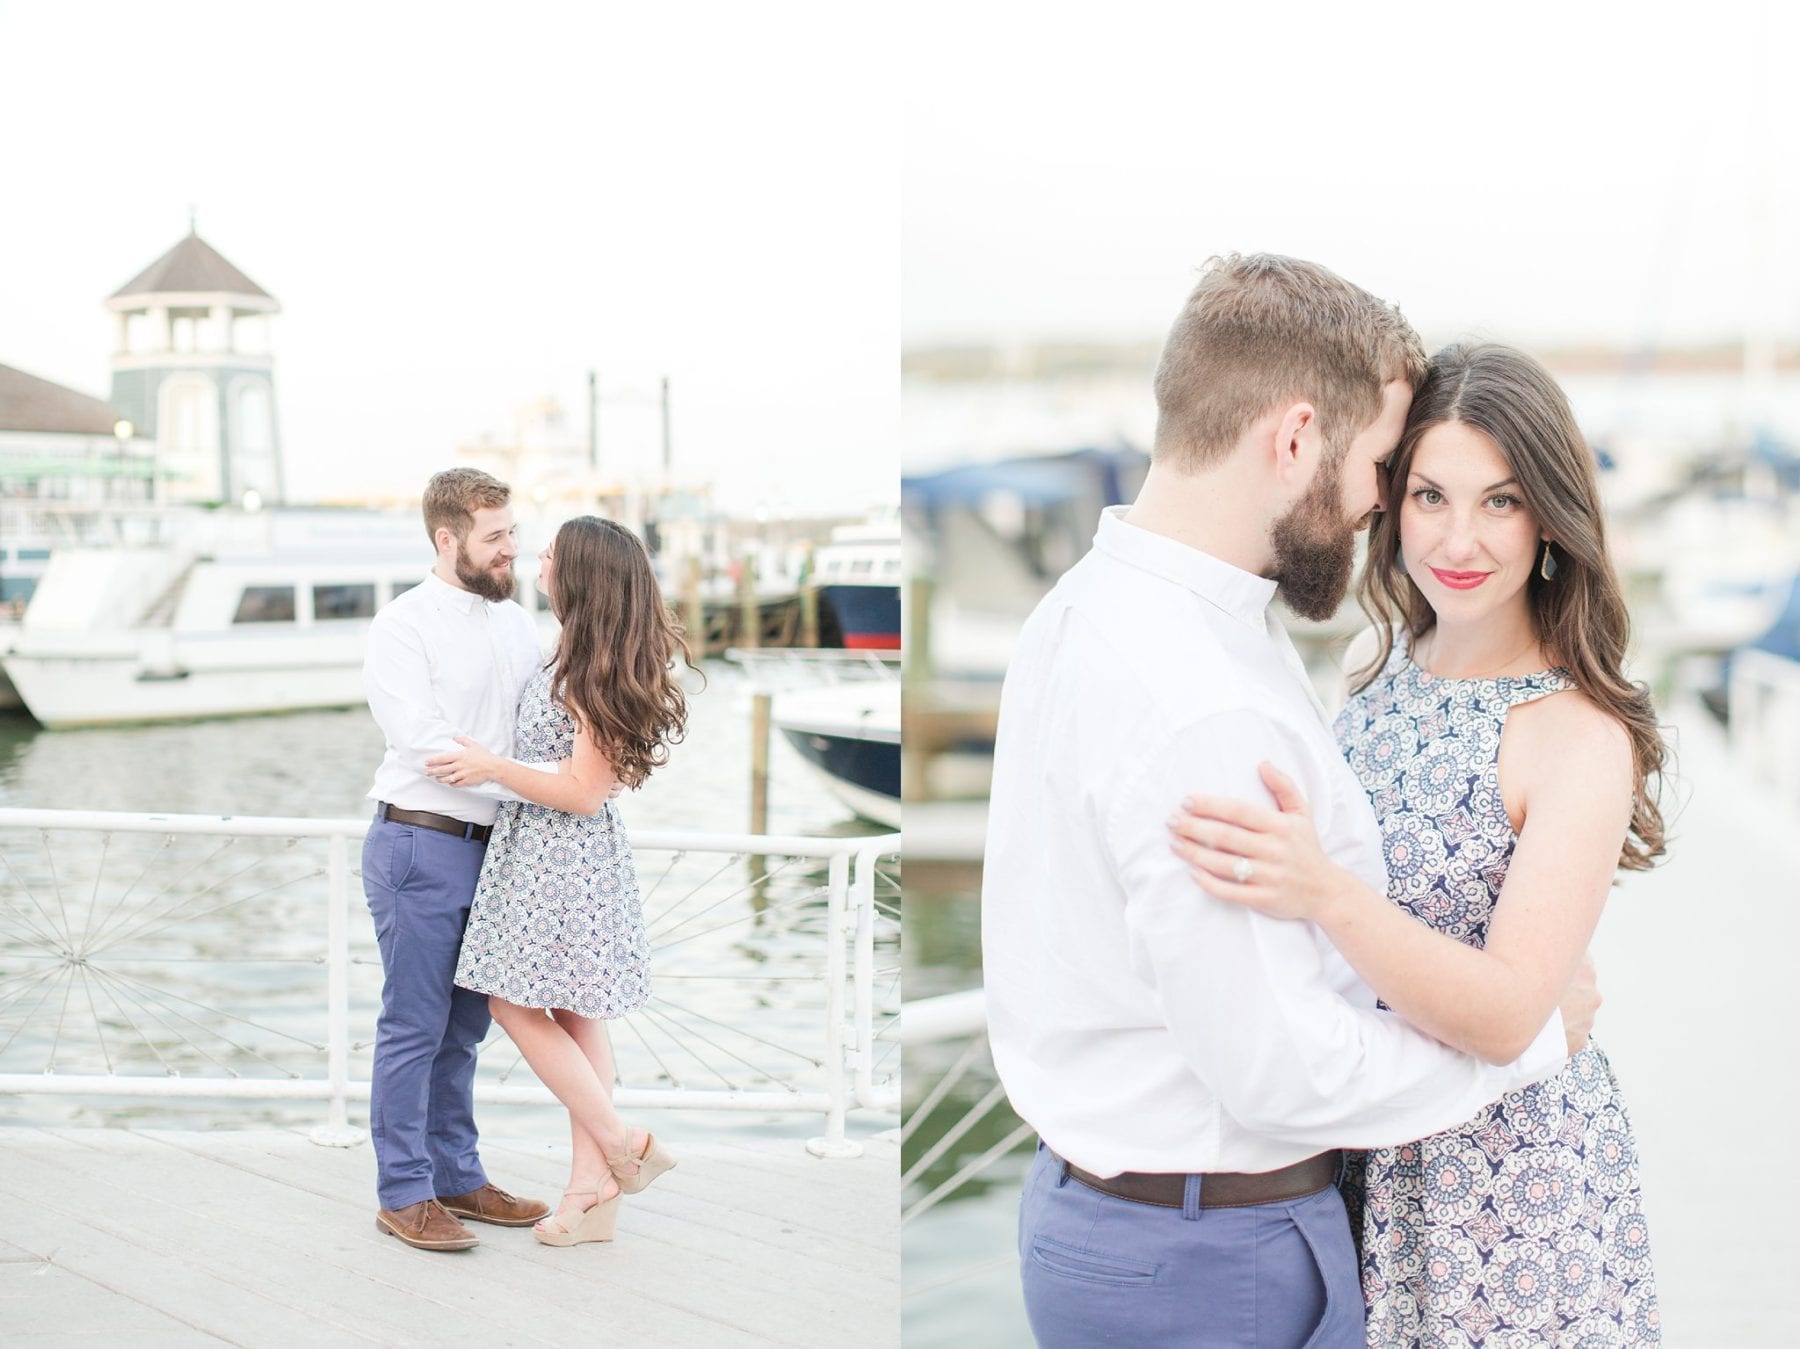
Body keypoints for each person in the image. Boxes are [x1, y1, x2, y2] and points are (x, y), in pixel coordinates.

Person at [981, 255, 1600, 1348]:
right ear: (1297, 436)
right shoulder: (1203, 701)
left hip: (1115, 1217)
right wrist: (1534, 1043)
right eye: (1386, 469)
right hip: (1211, 1259)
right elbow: (1285, 1073)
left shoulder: (1083, 612)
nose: (1375, 505)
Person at [1169, 342, 1665, 1345]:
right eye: (1432, 495)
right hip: (1367, 1141)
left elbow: (1509, 1013)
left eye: (1502, 500)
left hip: (1513, 1182)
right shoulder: (1374, 663)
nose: (1460, 538)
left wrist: (1322, 892)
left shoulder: (1576, 734)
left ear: (1552, 518)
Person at [427, 515, 690, 1246]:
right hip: (542, 852)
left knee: (512, 1002)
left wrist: (489, 767)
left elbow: (582, 789)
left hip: (563, 857)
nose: (539, 562)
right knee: (575, 1012)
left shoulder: (595, 664)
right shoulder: (571, 652)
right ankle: (591, 1188)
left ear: (580, 574)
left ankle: (620, 1143)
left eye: (551, 555)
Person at [361, 467, 555, 1251]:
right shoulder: (402, 625)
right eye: (495, 536)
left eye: (513, 532)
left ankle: (458, 1178)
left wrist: (512, 773)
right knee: (414, 1024)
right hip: (420, 841)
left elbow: (522, 734)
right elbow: (422, 739)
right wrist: (501, 768)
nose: (511, 548)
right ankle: (403, 1191)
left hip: (497, 847)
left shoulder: (516, 624)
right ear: (448, 540)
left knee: (465, 1029)